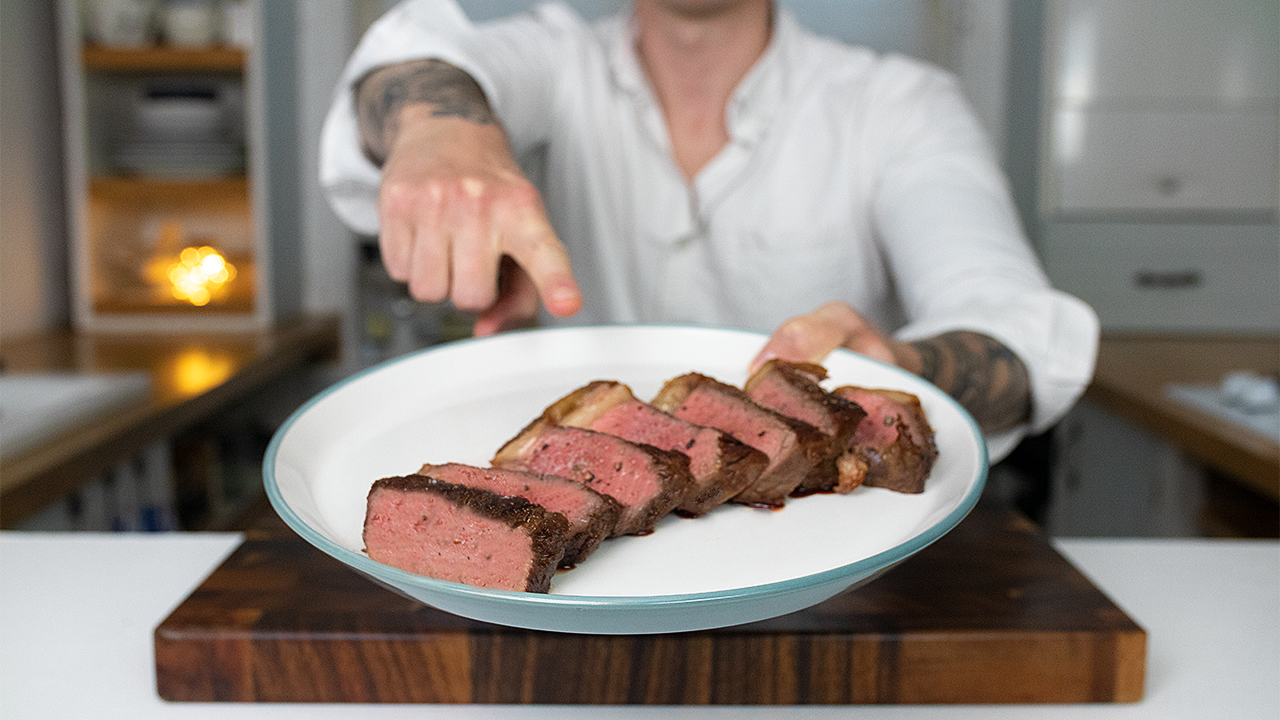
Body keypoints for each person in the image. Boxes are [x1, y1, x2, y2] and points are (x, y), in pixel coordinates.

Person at [319, 0, 1099, 459]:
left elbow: (1018, 338)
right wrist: (440, 134)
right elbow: (419, 60)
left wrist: (898, 363)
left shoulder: (902, 106)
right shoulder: (553, 59)